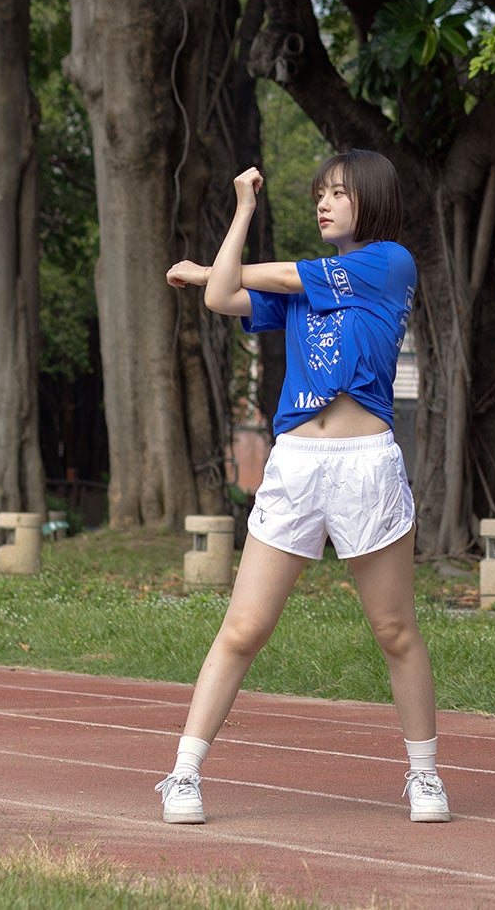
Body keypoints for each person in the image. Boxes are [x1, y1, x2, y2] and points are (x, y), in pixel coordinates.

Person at [154, 150, 449, 825]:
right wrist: (243, 211)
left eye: (339, 193)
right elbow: (222, 297)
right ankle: (184, 774)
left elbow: (228, 278)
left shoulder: (388, 262)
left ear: (370, 201)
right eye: (320, 193)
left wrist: (205, 266)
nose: (324, 203)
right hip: (295, 465)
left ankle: (425, 774)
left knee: (395, 630)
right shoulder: (297, 286)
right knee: (243, 628)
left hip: (364, 463)